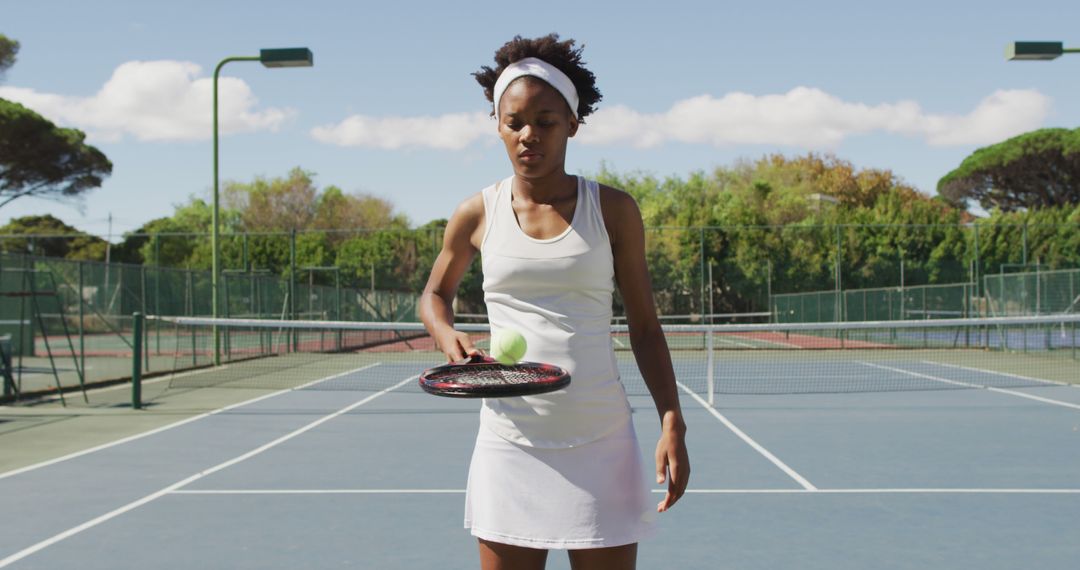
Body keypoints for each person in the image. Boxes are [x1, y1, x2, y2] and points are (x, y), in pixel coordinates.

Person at [420, 34, 689, 570]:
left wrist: (671, 418)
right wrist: (446, 334)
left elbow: (645, 327)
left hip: (601, 436)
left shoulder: (613, 210)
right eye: (514, 122)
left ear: (573, 123)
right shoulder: (476, 213)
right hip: (510, 440)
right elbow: (433, 295)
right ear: (497, 125)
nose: (528, 136)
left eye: (545, 121)